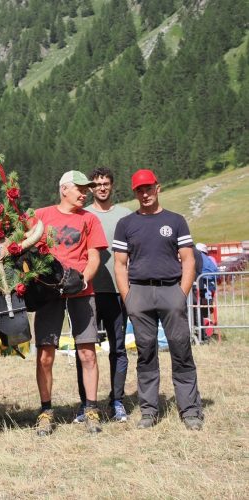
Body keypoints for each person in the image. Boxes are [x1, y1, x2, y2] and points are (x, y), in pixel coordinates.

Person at [113, 169, 203, 431]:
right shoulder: (126, 224)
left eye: (148, 188)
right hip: (139, 293)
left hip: (170, 291)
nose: (145, 193)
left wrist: (180, 294)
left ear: (158, 188)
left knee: (181, 349)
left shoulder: (176, 221)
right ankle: (149, 411)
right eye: (139, 190)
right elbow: (120, 265)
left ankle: (190, 411)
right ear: (134, 193)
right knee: (145, 353)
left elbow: (188, 260)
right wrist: (128, 297)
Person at [32, 171, 107, 436]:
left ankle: (92, 409)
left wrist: (84, 280)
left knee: (87, 353)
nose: (85, 193)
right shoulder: (41, 215)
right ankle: (45, 411)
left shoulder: (90, 219)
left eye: (87, 188)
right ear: (64, 189)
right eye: (80, 188)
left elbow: (95, 256)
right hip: (49, 294)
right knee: (45, 355)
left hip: (81, 292)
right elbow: (24, 246)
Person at [73, 167, 132, 423]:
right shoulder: (82, 216)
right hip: (87, 292)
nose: (102, 188)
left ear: (112, 185)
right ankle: (87, 403)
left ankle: (117, 401)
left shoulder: (126, 216)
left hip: (117, 293)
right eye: (97, 184)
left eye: (106, 183)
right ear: (91, 189)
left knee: (118, 348)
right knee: (84, 350)